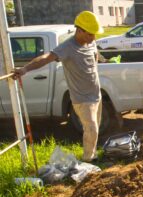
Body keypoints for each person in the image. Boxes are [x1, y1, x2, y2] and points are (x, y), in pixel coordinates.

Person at [13, 11, 103, 162]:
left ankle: (92, 154)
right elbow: (46, 57)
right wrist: (25, 69)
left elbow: (94, 57)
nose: (93, 38)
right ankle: (89, 161)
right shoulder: (67, 47)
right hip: (82, 99)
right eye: (90, 34)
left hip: (96, 94)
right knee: (91, 128)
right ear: (79, 30)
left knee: (94, 129)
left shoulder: (91, 42)